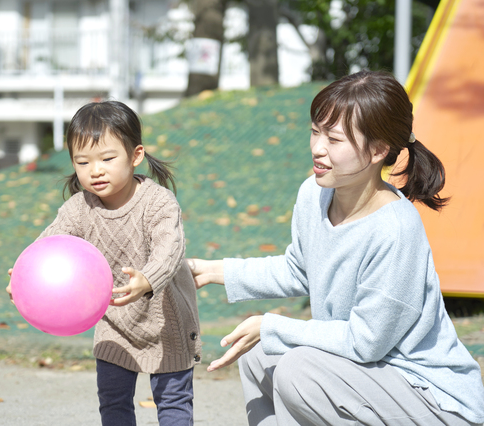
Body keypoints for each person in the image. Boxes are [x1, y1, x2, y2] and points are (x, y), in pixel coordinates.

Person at [187, 70, 484, 425]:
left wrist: (273, 325)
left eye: (334, 139)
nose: (317, 148)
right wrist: (212, 270)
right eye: (315, 132)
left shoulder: (395, 229)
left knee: (297, 369)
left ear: (378, 150)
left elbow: (366, 341)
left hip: (430, 398)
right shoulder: (314, 193)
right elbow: (298, 269)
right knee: (258, 355)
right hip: (363, 372)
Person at [6, 100, 202, 426]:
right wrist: (23, 277)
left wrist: (147, 279)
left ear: (135, 155)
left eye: (108, 159)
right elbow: (48, 245)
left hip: (168, 324)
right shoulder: (79, 208)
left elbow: (171, 248)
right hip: (113, 326)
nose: (95, 170)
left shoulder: (158, 202)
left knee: (173, 405)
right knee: (113, 404)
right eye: (82, 162)